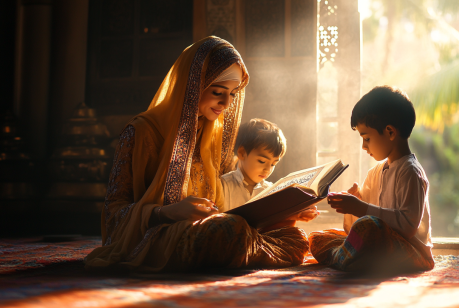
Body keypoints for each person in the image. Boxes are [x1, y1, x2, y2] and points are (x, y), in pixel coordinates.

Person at [85, 37, 309, 272]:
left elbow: (227, 204)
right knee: (229, 232)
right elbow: (113, 215)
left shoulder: (213, 136)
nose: (226, 103)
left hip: (212, 228)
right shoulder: (141, 132)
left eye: (233, 94)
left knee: (293, 236)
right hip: (159, 235)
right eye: (217, 92)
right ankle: (242, 249)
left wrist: (285, 210)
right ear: (192, 85)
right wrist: (167, 212)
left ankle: (241, 249)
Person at [308, 86, 434, 273]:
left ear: (390, 132)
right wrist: (352, 204)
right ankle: (349, 258)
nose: (363, 146)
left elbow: (407, 227)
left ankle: (343, 258)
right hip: (379, 248)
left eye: (366, 138)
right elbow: (354, 228)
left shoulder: (410, 172)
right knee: (318, 238)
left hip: (412, 252)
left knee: (369, 228)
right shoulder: (375, 172)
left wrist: (359, 207)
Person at [221, 119, 318, 222]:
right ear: (241, 153)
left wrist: (298, 213)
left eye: (273, 164)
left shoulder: (272, 192)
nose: (268, 169)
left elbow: (277, 219)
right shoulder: (223, 186)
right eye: (262, 161)